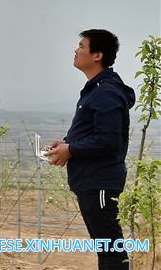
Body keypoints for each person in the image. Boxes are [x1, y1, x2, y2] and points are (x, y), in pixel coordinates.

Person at [46, 29, 135, 270]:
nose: (76, 50)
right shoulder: (97, 89)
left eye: (81, 46)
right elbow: (94, 132)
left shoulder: (106, 92)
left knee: (111, 251)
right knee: (106, 250)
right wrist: (66, 144)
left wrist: (72, 150)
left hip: (100, 182)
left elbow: (108, 140)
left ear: (97, 55)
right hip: (91, 182)